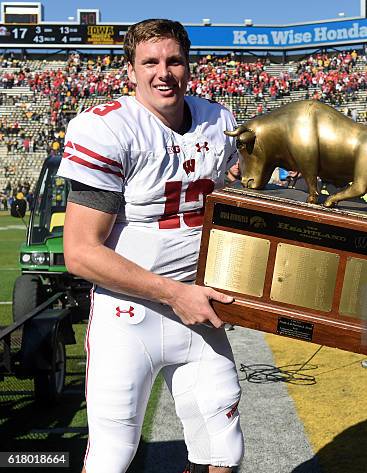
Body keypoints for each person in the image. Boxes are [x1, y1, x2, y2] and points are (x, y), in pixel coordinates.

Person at [58, 19, 243, 473]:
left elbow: (242, 197)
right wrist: (173, 293)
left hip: (199, 311)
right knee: (111, 455)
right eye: (151, 62)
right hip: (130, 315)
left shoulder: (219, 121)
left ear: (189, 65)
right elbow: (80, 251)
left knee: (223, 452)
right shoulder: (110, 128)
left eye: (174, 60)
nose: (164, 72)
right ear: (130, 70)